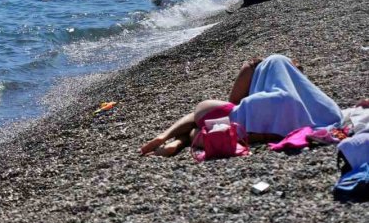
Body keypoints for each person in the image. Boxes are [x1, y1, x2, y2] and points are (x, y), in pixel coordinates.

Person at [140, 55, 342, 157]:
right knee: (200, 131)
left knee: (197, 118)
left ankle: (166, 136)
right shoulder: (312, 106)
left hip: (214, 112)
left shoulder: (260, 66)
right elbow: (332, 116)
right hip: (235, 132)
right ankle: (178, 143)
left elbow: (233, 100)